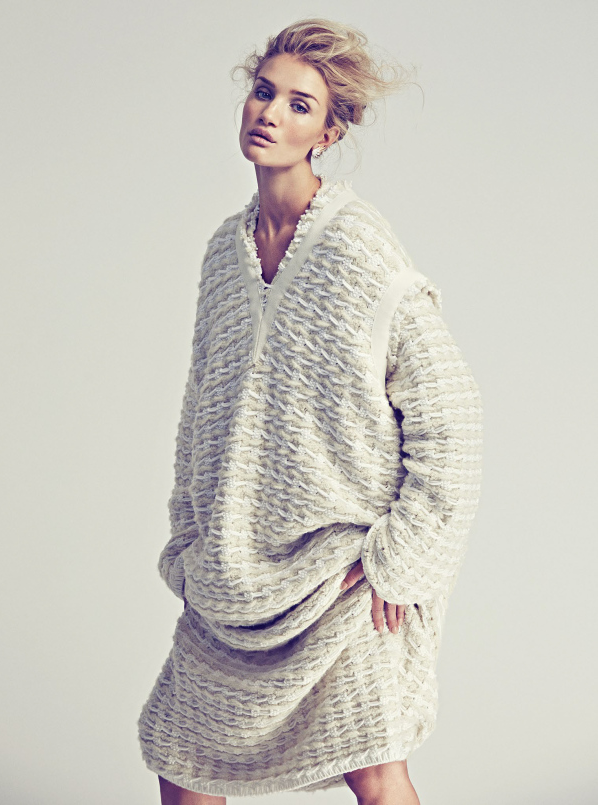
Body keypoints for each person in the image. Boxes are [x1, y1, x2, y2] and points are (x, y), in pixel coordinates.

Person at [137, 17, 483, 805]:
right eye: (264, 92)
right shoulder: (223, 253)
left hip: (338, 578)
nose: (270, 113)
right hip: (230, 581)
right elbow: (201, 412)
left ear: (328, 132)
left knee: (378, 771)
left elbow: (451, 416)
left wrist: (403, 558)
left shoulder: (359, 247)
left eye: (299, 104)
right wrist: (188, 543)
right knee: (182, 761)